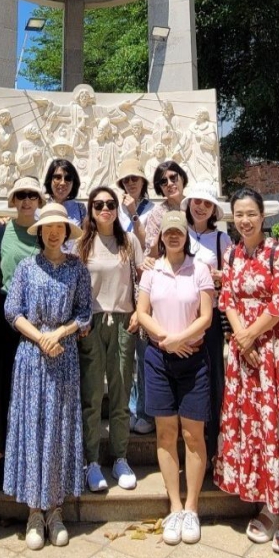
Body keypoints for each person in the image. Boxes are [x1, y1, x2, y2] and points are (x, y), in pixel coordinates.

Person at [214, 187, 279, 556]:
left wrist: (250, 336)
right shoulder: (232, 253)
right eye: (239, 214)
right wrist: (242, 339)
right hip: (246, 354)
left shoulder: (277, 252)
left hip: (276, 353)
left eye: (251, 213)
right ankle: (269, 505)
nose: (245, 220)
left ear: (262, 216)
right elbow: (227, 299)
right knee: (254, 425)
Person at [4, 202, 92, 550]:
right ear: (40, 232)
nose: (54, 233)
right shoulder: (27, 268)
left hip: (63, 355)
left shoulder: (77, 269)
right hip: (32, 355)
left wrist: (59, 333)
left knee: (58, 428)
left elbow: (84, 312)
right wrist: (40, 337)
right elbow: (13, 311)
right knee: (33, 427)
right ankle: (33, 512)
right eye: (48, 228)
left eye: (60, 228)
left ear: (67, 232)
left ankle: (55, 509)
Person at [137, 210, 213, 546]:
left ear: (186, 236)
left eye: (178, 232)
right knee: (166, 433)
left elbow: (206, 316)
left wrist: (180, 339)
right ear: (161, 236)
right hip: (159, 358)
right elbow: (142, 312)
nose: (172, 236)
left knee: (193, 434)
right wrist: (167, 339)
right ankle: (175, 505)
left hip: (193, 358)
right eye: (167, 232)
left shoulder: (199, 269)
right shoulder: (152, 271)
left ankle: (192, 508)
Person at [76, 186, 143, 493]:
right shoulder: (81, 243)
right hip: (91, 322)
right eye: (99, 204)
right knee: (91, 396)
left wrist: (139, 312)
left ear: (117, 209)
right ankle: (91, 461)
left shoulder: (128, 242)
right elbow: (76, 285)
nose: (105, 209)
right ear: (90, 209)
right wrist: (80, 319)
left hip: (123, 320)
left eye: (110, 204)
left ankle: (120, 457)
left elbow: (143, 276)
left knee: (120, 393)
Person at [0, 176, 44, 492]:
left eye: (31, 195)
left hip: (38, 317)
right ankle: (2, 453)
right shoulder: (0, 232)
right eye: (21, 195)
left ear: (39, 201)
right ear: (13, 200)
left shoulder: (46, 232)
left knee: (34, 388)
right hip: (6, 315)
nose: (26, 201)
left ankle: (31, 453)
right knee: (1, 386)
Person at [182, 181, 232, 466]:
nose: (200, 207)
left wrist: (221, 277)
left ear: (214, 209)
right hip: (181, 316)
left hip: (209, 317)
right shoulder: (179, 232)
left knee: (214, 377)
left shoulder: (221, 239)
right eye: (197, 201)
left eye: (207, 203)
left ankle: (215, 448)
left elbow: (234, 275)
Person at [115, 159, 155, 436]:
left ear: (143, 182)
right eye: (126, 179)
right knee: (124, 354)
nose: (131, 183)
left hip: (144, 283)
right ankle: (129, 408)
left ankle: (145, 411)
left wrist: (133, 214)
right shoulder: (112, 208)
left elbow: (148, 244)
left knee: (143, 352)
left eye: (135, 179)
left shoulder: (152, 210)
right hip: (121, 284)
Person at [144, 160, 189, 256]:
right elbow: (150, 252)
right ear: (160, 187)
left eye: (173, 177)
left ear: (182, 178)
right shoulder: (156, 214)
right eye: (163, 181)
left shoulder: (196, 205)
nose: (169, 183)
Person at [43, 158, 87, 229]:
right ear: (50, 180)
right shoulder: (41, 207)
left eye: (68, 178)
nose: (62, 183)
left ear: (73, 183)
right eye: (57, 177)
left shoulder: (81, 209)